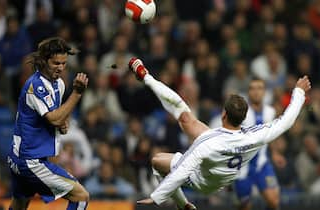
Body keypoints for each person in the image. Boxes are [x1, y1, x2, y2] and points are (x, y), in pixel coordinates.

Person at [128, 58, 311, 210]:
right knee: (185, 117)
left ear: (223, 114)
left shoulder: (207, 142)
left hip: (203, 181)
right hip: (225, 170)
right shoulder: (255, 136)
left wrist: (156, 197)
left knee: (157, 161)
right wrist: (299, 92)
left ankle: (183, 205)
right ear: (243, 117)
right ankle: (146, 76)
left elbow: (183, 171)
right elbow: (286, 121)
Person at [7, 37, 89, 210]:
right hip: (30, 160)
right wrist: (77, 93)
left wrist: (61, 124)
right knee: (81, 196)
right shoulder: (35, 85)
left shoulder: (58, 84)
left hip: (21, 157)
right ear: (44, 61)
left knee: (19, 205)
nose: (60, 68)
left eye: (64, 63)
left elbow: (55, 117)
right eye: (56, 63)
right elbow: (54, 118)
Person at [234, 78, 280, 210]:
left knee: (274, 202)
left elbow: (271, 135)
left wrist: (275, 153)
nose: (256, 92)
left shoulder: (270, 111)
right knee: (245, 207)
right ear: (248, 92)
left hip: (262, 164)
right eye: (252, 88)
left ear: (265, 91)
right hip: (242, 167)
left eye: (259, 88)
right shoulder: (240, 112)